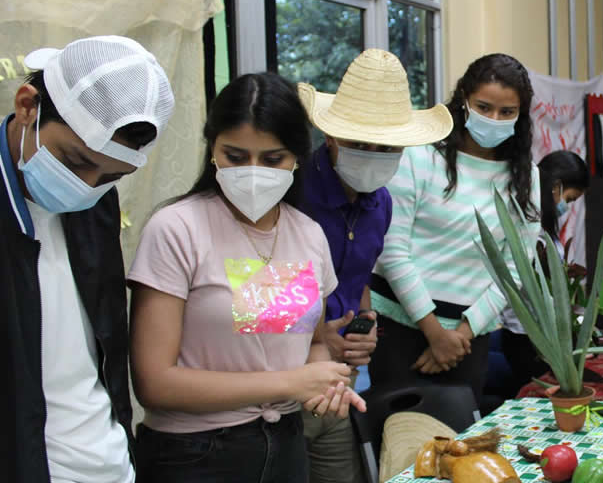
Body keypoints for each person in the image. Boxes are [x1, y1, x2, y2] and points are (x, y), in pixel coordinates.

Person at [128, 72, 366, 483]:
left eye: (273, 159)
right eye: (235, 157)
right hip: (195, 454)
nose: (253, 172)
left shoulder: (307, 233)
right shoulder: (176, 228)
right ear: (212, 150)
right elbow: (155, 382)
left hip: (287, 443)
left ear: (297, 157)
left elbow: (312, 342)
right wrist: (293, 382)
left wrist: (323, 384)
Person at [0, 36, 174, 483]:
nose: (85, 186)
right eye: (74, 161)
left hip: (109, 463)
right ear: (27, 106)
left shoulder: (95, 203)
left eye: (110, 177)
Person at [296, 49, 452, 483]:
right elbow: (259, 289)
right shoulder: (294, 192)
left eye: (385, 148)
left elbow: (359, 272)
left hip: (345, 381)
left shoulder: (380, 201)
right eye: (359, 144)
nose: (372, 156)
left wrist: (365, 320)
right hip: (284, 380)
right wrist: (315, 338)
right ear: (329, 137)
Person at [369, 53, 541, 404]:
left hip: (468, 338)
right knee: (396, 442)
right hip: (400, 329)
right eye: (483, 107)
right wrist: (434, 331)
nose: (494, 119)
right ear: (463, 99)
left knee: (458, 446)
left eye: (506, 112)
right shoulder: (419, 156)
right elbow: (392, 250)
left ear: (520, 115)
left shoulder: (525, 176)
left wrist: (461, 333)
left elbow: (514, 268)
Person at [494, 150, 589, 401]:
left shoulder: (544, 226)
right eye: (569, 199)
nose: (566, 207)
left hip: (540, 334)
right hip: (525, 336)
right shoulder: (527, 227)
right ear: (555, 186)